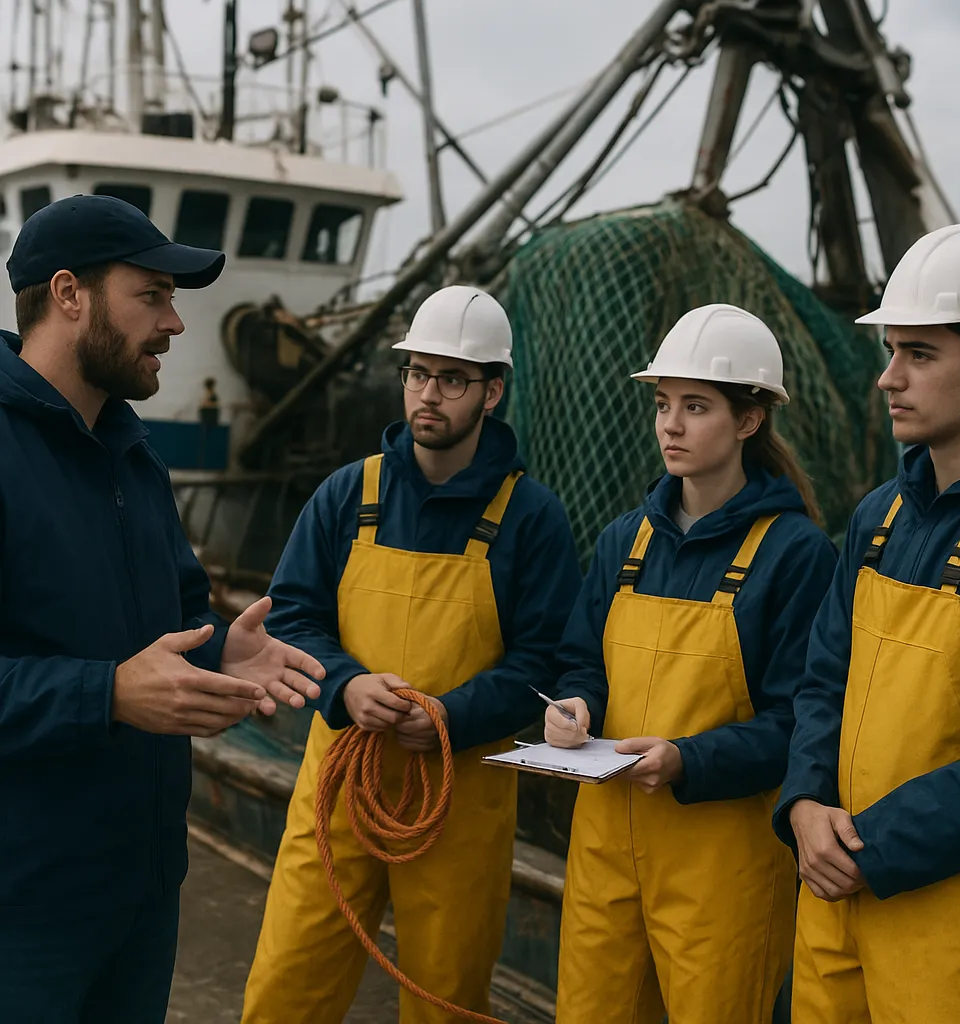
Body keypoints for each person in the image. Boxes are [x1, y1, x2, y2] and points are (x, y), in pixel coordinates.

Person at [0, 194, 325, 1023]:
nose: (176, 323)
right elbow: (120, 678)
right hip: (23, 911)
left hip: (140, 894)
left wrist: (224, 656)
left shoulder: (131, 453)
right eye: (152, 295)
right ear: (68, 294)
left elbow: (168, 631)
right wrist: (107, 693)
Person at [241, 285, 582, 1024]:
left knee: (446, 1000)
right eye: (418, 374)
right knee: (284, 989)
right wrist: (346, 686)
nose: (429, 395)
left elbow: (546, 663)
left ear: (492, 391)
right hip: (338, 785)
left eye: (452, 379)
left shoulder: (531, 519)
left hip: (456, 806)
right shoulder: (345, 495)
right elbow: (291, 616)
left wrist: (450, 717)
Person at [545, 303, 838, 1024]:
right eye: (663, 404)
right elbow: (580, 660)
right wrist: (575, 705)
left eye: (696, 406)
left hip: (723, 872)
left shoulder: (795, 555)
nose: (670, 425)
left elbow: (801, 722)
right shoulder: (626, 541)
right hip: (606, 852)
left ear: (749, 420)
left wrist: (688, 758)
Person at [774, 223, 960, 1022]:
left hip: (954, 934)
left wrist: (866, 850)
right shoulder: (879, 517)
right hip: (835, 908)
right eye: (892, 351)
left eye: (919, 353)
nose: (888, 378)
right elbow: (824, 681)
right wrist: (806, 802)